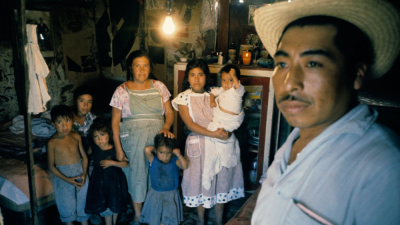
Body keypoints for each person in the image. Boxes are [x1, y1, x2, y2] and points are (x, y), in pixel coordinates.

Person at [251, 0, 400, 224]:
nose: (290, 83)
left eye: (312, 63)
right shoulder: (297, 138)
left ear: (357, 74)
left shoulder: (383, 167)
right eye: (282, 64)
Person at [171, 59, 245, 225]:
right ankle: (201, 220)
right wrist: (213, 134)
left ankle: (219, 220)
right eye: (192, 75)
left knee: (221, 183)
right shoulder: (184, 98)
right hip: (199, 145)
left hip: (221, 143)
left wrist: (227, 132)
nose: (196, 79)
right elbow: (190, 124)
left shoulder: (217, 93)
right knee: (200, 184)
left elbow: (231, 112)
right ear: (187, 78)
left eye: (200, 75)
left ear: (206, 77)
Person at [110, 50, 174, 225]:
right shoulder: (121, 90)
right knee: (137, 175)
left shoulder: (159, 86)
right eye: (137, 65)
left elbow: (169, 112)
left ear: (150, 68)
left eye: (145, 65)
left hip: (157, 136)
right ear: (130, 68)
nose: (141, 69)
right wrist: (118, 146)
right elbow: (115, 122)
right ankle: (138, 215)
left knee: (158, 173)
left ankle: (156, 211)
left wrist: (166, 127)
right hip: (133, 138)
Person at [202, 65, 245, 190]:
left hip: (229, 123)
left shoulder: (237, 92)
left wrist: (233, 76)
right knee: (211, 148)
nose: (227, 84)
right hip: (219, 121)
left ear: (236, 80)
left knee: (223, 145)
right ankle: (210, 171)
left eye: (230, 80)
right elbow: (212, 92)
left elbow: (236, 85)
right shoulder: (221, 90)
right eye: (224, 80)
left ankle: (216, 167)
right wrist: (212, 101)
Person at [47, 105, 90, 225]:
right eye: (59, 122)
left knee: (83, 203)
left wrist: (85, 174)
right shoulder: (52, 143)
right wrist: (68, 180)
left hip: (80, 173)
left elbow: (85, 157)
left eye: (67, 120)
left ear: (72, 121)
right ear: (53, 124)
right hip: (64, 178)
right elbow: (51, 166)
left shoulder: (76, 136)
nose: (65, 126)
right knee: (66, 206)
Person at [85, 118, 129, 225]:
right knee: (105, 207)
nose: (100, 139)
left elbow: (126, 164)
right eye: (96, 136)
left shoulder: (115, 149)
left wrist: (112, 163)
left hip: (114, 182)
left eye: (103, 135)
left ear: (109, 135)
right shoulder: (93, 148)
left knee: (115, 204)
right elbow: (85, 155)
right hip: (99, 182)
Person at [140, 134, 188, 225]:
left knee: (168, 218)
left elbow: (185, 166)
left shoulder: (174, 160)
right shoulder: (152, 159)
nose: (165, 156)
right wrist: (157, 149)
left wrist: (178, 154)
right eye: (161, 152)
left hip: (170, 195)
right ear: (156, 150)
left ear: (172, 152)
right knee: (156, 218)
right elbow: (147, 149)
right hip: (156, 194)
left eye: (168, 153)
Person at [72, 85, 96, 153]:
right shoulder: (67, 118)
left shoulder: (93, 119)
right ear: (75, 101)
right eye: (82, 101)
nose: (86, 105)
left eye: (89, 102)